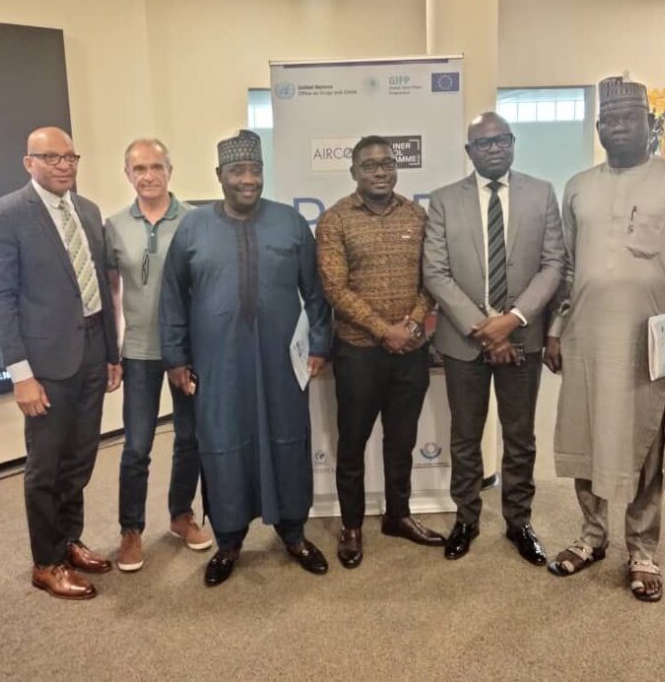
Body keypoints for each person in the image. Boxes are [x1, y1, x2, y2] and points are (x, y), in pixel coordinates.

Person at [544, 76, 665, 602]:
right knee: (587, 437)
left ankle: (642, 548)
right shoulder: (578, 186)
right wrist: (554, 330)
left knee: (644, 442)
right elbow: (566, 268)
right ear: (598, 128)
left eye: (629, 118)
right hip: (585, 337)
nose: (618, 127)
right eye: (609, 120)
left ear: (650, 124)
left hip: (648, 339)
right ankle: (592, 535)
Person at [160, 129, 332, 587]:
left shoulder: (290, 223)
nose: (248, 179)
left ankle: (293, 533)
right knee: (222, 443)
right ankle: (229, 541)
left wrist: (319, 344)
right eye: (238, 171)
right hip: (218, 362)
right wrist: (175, 357)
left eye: (255, 170)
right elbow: (173, 296)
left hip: (281, 360)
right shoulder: (193, 227)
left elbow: (316, 293)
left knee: (287, 439)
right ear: (220, 175)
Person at [0, 126, 122, 600]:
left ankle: (68, 540)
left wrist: (111, 354)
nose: (64, 165)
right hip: (45, 365)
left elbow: (100, 289)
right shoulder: (6, 215)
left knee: (79, 458)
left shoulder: (88, 210)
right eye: (52, 157)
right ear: (30, 163)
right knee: (46, 466)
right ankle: (46, 562)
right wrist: (20, 374)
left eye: (70, 157)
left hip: (92, 353)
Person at [423, 112, 563, 564]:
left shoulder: (542, 193)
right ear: (470, 152)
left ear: (513, 143)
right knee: (466, 435)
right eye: (485, 143)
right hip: (464, 339)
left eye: (503, 140)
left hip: (523, 335)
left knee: (520, 436)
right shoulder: (444, 200)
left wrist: (513, 319)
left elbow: (553, 265)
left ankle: (519, 521)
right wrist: (486, 327)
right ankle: (466, 518)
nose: (495, 148)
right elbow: (435, 273)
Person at [315, 136, 446, 569]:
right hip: (358, 353)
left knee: (402, 439)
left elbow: (432, 278)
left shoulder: (418, 216)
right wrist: (383, 330)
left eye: (387, 163)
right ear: (354, 171)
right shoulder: (335, 220)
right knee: (352, 442)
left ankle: (398, 515)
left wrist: (412, 324)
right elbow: (334, 288)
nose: (380, 171)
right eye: (369, 165)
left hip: (410, 350)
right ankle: (352, 526)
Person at [105, 138, 213, 573]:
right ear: (127, 174)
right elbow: (112, 292)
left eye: (156, 167)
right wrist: (111, 349)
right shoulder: (114, 226)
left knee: (190, 438)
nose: (148, 175)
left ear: (170, 170)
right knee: (137, 445)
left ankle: (181, 515)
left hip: (188, 350)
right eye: (139, 168)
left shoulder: (196, 220)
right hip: (139, 353)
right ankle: (131, 530)